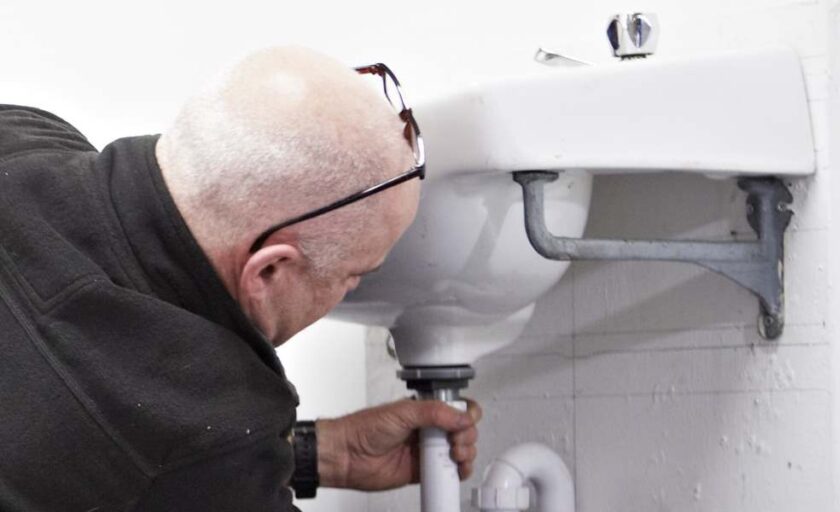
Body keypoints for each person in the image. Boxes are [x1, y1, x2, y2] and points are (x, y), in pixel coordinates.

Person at [0, 46, 480, 510]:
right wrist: (248, 463)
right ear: (269, 269)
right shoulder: (213, 424)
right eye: (354, 274)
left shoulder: (22, 130)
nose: (350, 290)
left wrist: (317, 453)